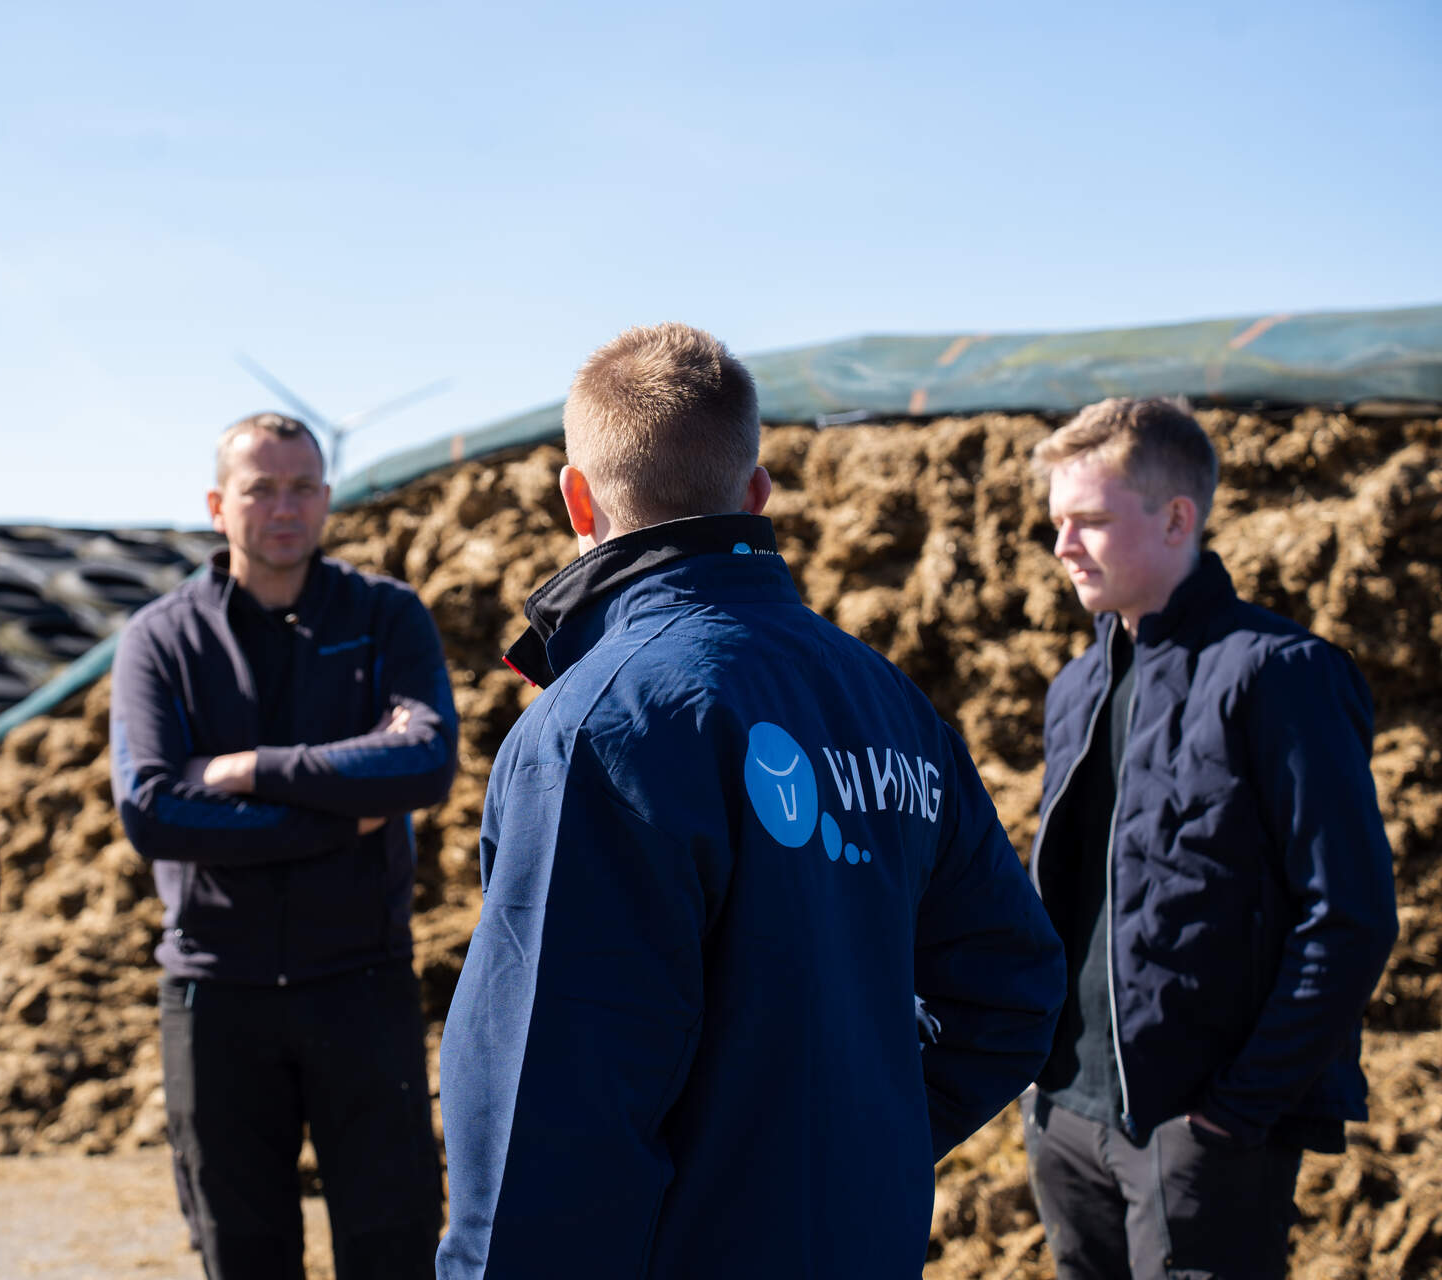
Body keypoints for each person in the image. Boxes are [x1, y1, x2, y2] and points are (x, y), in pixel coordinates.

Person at [435, 323, 1065, 1279]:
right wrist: (853, 1145)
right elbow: (1014, 988)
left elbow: (542, 1103)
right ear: (757, 491)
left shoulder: (597, 728)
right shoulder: (888, 700)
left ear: (576, 498)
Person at [1023, 397, 1400, 1280]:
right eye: (1056, 523)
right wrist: (1042, 1094)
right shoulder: (1074, 687)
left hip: (1200, 1137)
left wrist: (1236, 1112)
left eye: (1089, 522)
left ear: (1177, 517)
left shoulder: (1280, 675)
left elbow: (1347, 916)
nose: (1062, 547)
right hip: (1068, 1123)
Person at [110, 412, 458, 1280]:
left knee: (393, 1246)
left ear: (327, 500)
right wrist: (337, 818)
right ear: (217, 504)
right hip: (215, 994)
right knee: (243, 1253)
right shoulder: (161, 639)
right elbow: (153, 811)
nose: (283, 507)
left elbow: (423, 761)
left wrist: (250, 770)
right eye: (260, 488)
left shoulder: (384, 617)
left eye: (303, 487)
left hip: (361, 982)